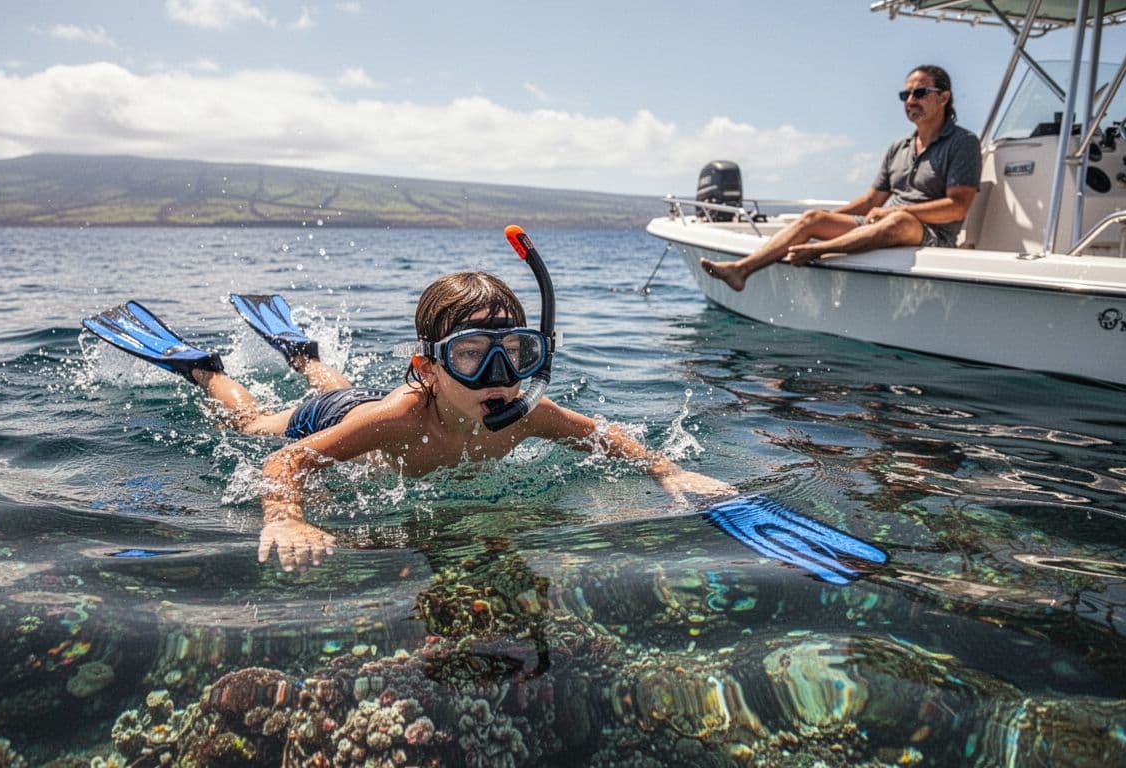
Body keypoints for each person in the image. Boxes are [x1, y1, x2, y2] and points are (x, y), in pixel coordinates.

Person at [83, 243, 736, 573]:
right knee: (251, 422)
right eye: (473, 354)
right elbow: (284, 462)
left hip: (359, 400)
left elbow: (608, 436)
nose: (499, 374)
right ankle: (203, 368)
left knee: (324, 379)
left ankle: (304, 355)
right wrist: (286, 518)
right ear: (428, 368)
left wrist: (667, 473)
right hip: (342, 413)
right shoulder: (397, 418)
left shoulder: (524, 411)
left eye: (517, 352)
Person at [701, 64, 982, 291]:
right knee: (813, 217)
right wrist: (826, 220)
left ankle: (819, 251)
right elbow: (872, 200)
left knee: (898, 219)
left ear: (944, 97)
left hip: (931, 233)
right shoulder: (899, 146)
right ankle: (741, 269)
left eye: (920, 93)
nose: (910, 101)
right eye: (905, 95)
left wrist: (897, 212)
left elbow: (957, 206)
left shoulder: (963, 143)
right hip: (881, 224)